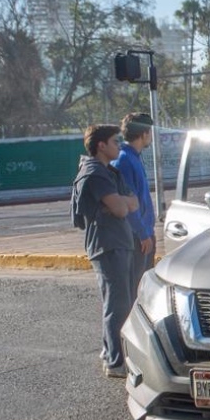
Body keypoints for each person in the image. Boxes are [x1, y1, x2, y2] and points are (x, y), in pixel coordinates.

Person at [73, 124, 140, 378]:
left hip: (117, 242)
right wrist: (121, 203)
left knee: (116, 301)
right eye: (114, 141)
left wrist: (121, 202)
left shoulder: (108, 171)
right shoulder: (94, 173)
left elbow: (133, 200)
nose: (119, 145)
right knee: (118, 303)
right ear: (101, 145)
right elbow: (124, 208)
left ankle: (108, 352)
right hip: (108, 245)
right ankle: (116, 361)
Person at [113, 112, 155, 278]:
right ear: (143, 134)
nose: (151, 136)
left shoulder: (134, 157)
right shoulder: (124, 160)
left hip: (144, 234)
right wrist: (143, 234)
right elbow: (129, 204)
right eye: (150, 132)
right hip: (136, 238)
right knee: (137, 289)